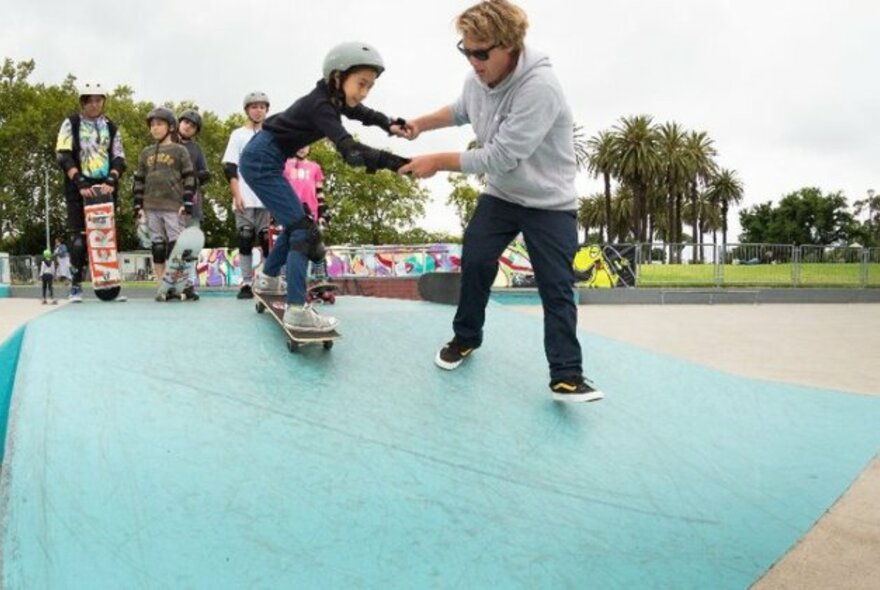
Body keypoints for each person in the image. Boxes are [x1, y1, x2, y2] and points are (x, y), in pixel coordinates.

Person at [399, 0, 602, 402]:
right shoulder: (476, 79)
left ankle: (566, 374)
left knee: (556, 286)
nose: (473, 61)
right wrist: (420, 124)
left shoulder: (540, 88)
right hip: (503, 196)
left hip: (550, 203)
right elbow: (461, 110)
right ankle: (465, 338)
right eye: (466, 50)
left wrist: (436, 161)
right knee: (475, 262)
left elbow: (501, 157)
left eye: (481, 52)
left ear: (510, 46)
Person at [239, 41, 410, 332]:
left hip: (266, 157)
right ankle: (296, 309)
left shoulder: (334, 98)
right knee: (305, 231)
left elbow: (363, 113)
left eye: (370, 86)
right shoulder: (322, 107)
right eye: (361, 84)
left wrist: (389, 124)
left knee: (297, 223)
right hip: (261, 161)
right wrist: (398, 163)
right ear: (337, 77)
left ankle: (268, 278)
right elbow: (350, 151)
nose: (364, 92)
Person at [55, 82, 126, 303]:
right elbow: (63, 154)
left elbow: (119, 157)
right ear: (83, 102)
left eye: (98, 100)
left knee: (106, 237)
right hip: (79, 188)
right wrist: (79, 181)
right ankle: (75, 286)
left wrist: (112, 178)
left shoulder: (111, 126)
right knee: (79, 241)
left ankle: (109, 283)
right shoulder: (72, 123)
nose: (94, 104)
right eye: (90, 100)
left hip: (104, 188)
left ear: (103, 101)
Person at [132, 107, 196, 299]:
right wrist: (138, 206)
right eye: (152, 124)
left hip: (173, 206)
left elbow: (189, 177)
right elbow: (139, 180)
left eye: (159, 124)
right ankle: (162, 285)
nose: (155, 128)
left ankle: (178, 283)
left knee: (176, 246)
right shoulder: (146, 152)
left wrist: (187, 202)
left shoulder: (179, 150)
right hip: (150, 206)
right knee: (157, 246)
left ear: (170, 127)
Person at [222, 92, 272, 299]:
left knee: (267, 240)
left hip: (267, 197)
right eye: (254, 107)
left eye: (262, 107)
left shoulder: (272, 134)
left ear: (266, 110)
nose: (258, 110)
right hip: (244, 196)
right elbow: (230, 166)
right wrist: (237, 194)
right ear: (247, 110)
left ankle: (270, 279)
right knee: (245, 238)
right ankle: (246, 282)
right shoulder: (238, 134)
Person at [178, 109, 212, 293]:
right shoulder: (167, 144)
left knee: (191, 243)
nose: (188, 127)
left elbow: (205, 173)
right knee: (170, 242)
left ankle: (189, 282)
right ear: (178, 122)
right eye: (185, 122)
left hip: (192, 201)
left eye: (192, 126)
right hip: (169, 201)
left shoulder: (196, 149)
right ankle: (170, 280)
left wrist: (192, 177)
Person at [283, 145, 329, 280]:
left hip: (311, 211)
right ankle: (285, 278)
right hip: (289, 209)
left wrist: (322, 214)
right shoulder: (285, 164)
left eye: (306, 146)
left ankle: (320, 278)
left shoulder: (315, 167)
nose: (302, 148)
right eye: (300, 145)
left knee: (316, 244)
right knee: (288, 243)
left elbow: (319, 192)